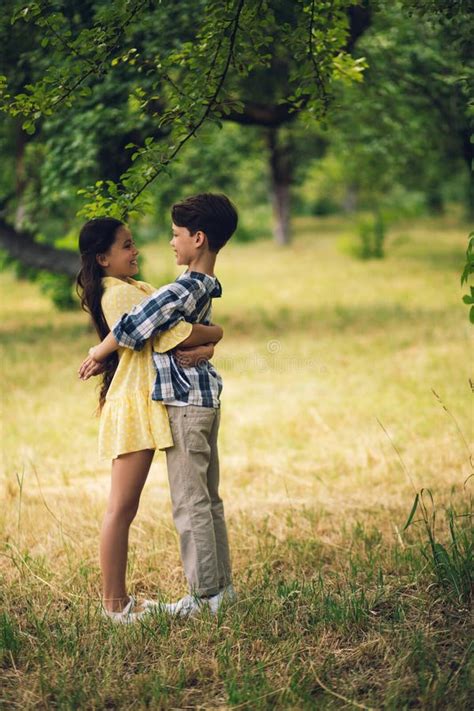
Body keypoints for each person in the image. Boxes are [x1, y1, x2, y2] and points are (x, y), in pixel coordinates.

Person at [79, 193, 237, 618]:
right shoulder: (120, 295)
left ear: (198, 238)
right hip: (138, 404)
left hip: (175, 401)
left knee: (193, 501)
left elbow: (178, 330)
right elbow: (174, 334)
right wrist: (212, 335)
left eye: (174, 235)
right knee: (132, 506)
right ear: (102, 259)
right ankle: (117, 605)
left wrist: (211, 335)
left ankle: (210, 595)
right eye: (126, 245)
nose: (142, 249)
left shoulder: (156, 288)